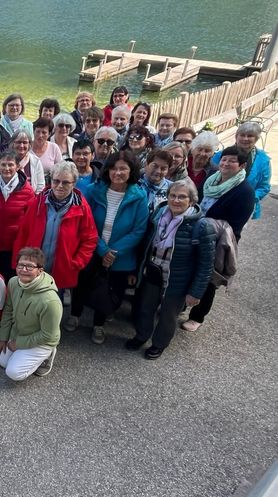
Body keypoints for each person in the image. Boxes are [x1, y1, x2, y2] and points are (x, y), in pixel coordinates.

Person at [67, 151, 148, 344]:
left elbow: (139, 230)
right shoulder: (95, 190)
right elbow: (85, 221)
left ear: (131, 171)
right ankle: (75, 315)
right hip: (92, 249)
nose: (117, 172)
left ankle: (99, 325)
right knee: (82, 284)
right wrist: (102, 249)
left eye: (123, 168)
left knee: (109, 291)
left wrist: (113, 252)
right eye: (113, 168)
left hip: (121, 256)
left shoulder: (139, 196)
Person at [128, 179, 215, 359]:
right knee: (145, 308)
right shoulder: (158, 215)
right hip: (153, 272)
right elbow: (145, 245)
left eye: (182, 197)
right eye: (172, 196)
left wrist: (196, 293)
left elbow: (206, 264)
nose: (176, 200)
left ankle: (159, 344)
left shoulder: (201, 226)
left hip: (177, 281)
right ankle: (141, 335)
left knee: (168, 315)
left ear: (191, 201)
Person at [182, 146, 256, 332]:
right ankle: (183, 303)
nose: (226, 163)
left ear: (242, 165)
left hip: (219, 238)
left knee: (208, 277)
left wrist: (208, 226)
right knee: (191, 269)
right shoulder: (212, 179)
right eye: (224, 159)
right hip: (196, 231)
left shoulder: (244, 191)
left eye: (232, 161)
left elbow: (235, 225)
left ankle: (197, 317)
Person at [12, 162, 97, 294]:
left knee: (53, 307)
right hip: (32, 268)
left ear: (74, 183)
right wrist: (17, 262)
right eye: (56, 181)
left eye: (65, 182)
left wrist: (75, 263)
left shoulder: (82, 208)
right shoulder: (37, 203)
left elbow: (90, 240)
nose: (59, 186)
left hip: (60, 271)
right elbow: (23, 234)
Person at [0, 248, 62, 381]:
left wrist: (18, 344)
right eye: (21, 265)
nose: (24, 269)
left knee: (14, 373)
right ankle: (22, 354)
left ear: (40, 270)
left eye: (30, 266)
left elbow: (48, 335)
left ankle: (48, 354)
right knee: (3, 361)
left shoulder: (50, 301)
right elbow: (8, 310)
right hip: (20, 333)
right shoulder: (14, 282)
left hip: (42, 341)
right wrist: (2, 338)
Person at [0, 150, 35, 280]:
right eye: (3, 164)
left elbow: (30, 221)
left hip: (14, 248)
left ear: (17, 167)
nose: (7, 168)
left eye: (10, 165)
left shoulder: (27, 191)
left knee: (10, 283)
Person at [211, 121, 271, 220]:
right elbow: (210, 177)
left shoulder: (263, 160)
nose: (245, 138)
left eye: (250, 136)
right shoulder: (221, 156)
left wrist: (248, 197)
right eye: (242, 135)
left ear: (256, 138)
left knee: (233, 233)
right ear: (236, 136)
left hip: (243, 205)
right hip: (217, 202)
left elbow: (264, 186)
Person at [186, 131, 220, 196]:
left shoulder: (215, 172)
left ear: (212, 153)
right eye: (199, 149)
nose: (202, 154)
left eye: (207, 151)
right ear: (192, 150)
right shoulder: (182, 164)